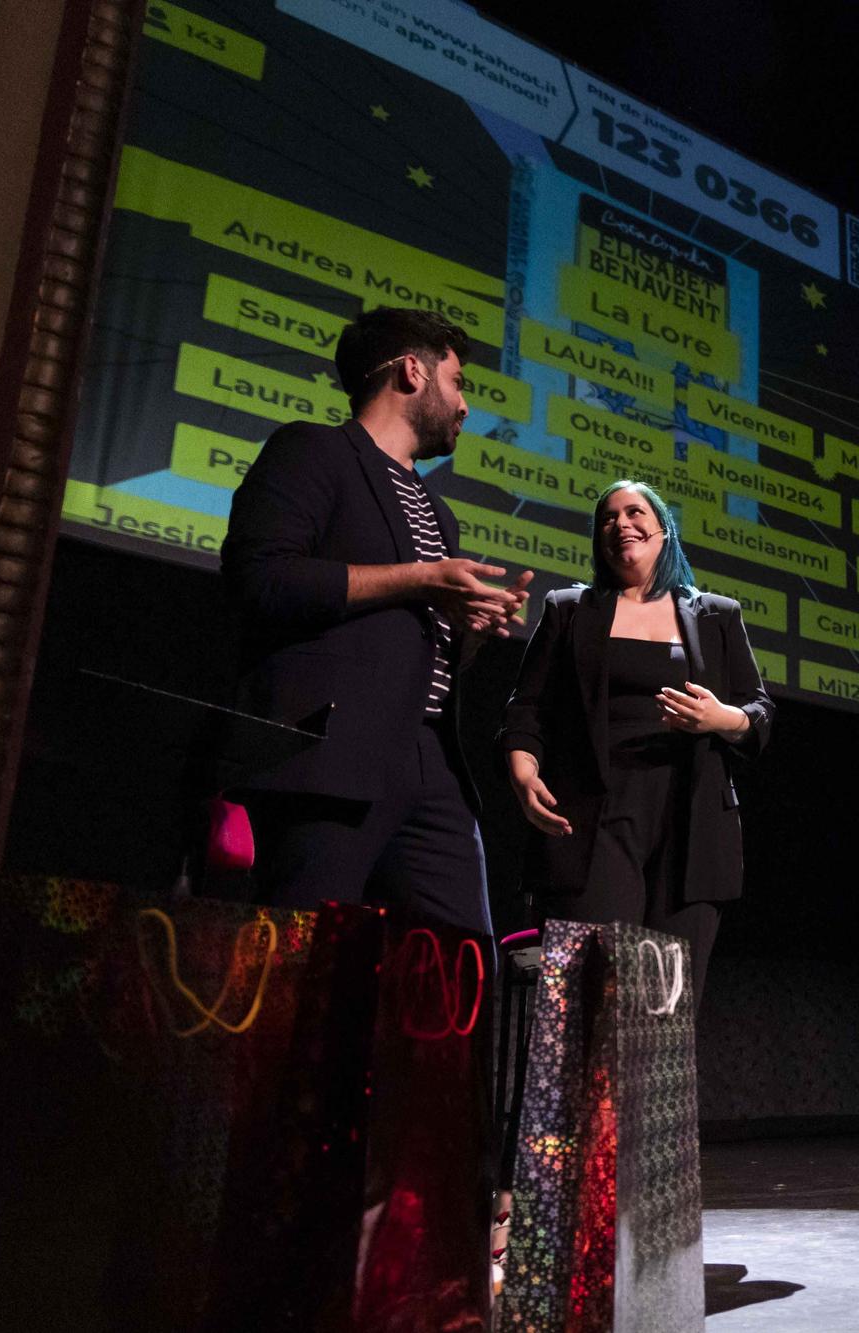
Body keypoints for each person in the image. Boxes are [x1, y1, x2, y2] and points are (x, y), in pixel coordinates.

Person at [219, 305, 531, 935]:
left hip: (431, 758)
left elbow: (425, 646)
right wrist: (420, 578)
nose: (466, 405)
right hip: (334, 752)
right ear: (412, 372)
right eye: (458, 381)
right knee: (297, 958)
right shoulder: (312, 451)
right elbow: (261, 578)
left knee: (460, 968)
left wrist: (469, 631)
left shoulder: (439, 514)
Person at [499, 479, 774, 1009]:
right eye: (608, 518)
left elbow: (759, 712)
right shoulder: (569, 610)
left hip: (690, 825)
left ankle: (643, 1098)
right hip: (593, 817)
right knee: (588, 1002)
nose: (621, 523)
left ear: (663, 530)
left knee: (662, 1015)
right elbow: (526, 706)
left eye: (634, 512)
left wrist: (723, 717)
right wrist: (523, 768)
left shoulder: (717, 615)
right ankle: (580, 1097)